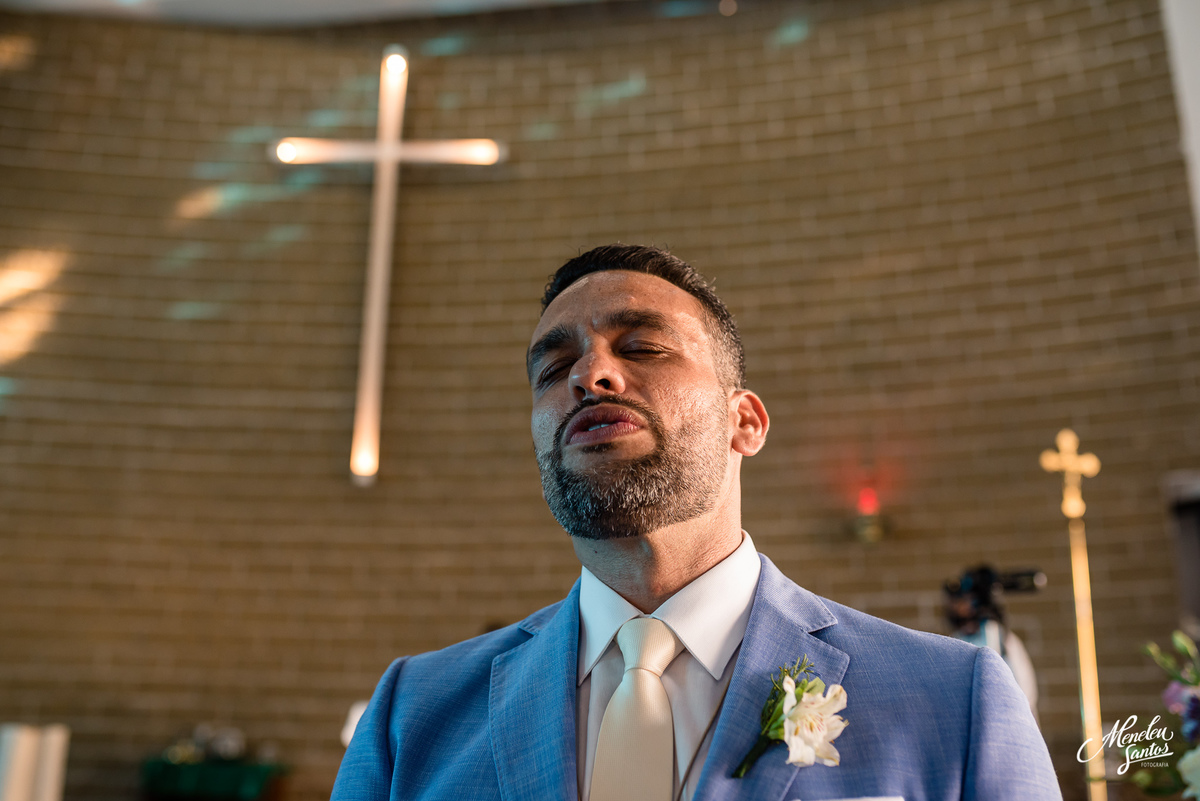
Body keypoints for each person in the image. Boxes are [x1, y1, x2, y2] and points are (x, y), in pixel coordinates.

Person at [331, 244, 1061, 801]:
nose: (590, 375)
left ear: (745, 422)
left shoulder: (953, 697)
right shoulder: (413, 714)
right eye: (554, 370)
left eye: (642, 347)